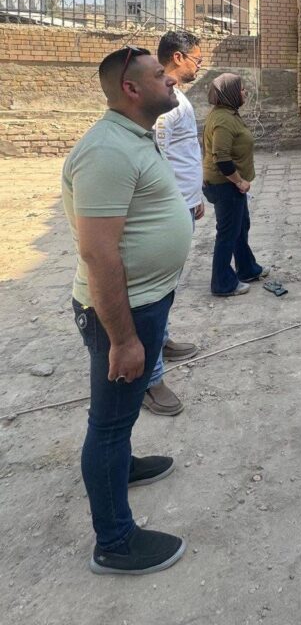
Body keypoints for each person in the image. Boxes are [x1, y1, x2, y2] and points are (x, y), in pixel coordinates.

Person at [62, 45, 192, 575]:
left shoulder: (136, 136)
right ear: (131, 89)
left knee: (120, 412)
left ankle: (123, 467)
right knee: (109, 424)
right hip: (121, 313)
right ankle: (114, 543)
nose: (172, 80)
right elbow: (98, 252)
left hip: (145, 302)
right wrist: (122, 338)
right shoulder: (106, 151)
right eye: (160, 75)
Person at [142, 29, 204, 417]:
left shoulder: (177, 96)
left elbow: (182, 154)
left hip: (182, 205)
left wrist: (194, 198)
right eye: (197, 58)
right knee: (155, 293)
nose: (200, 65)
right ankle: (150, 379)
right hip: (170, 209)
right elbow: (157, 156)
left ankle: (160, 342)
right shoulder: (167, 102)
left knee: (167, 289)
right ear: (178, 58)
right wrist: (174, 205)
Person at [202, 73, 285, 297]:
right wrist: (239, 181)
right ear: (229, 93)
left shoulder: (229, 113)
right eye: (240, 89)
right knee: (228, 233)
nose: (244, 92)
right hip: (225, 185)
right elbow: (221, 157)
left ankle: (247, 268)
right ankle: (222, 283)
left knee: (240, 227)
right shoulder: (223, 120)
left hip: (230, 186)